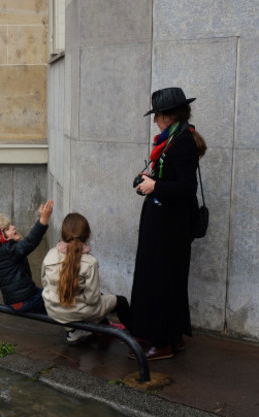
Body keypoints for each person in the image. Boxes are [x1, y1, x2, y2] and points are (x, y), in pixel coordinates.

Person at [130, 87, 207, 360]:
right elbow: (169, 178)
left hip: (171, 229)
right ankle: (171, 335)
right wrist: (147, 181)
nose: (155, 120)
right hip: (161, 224)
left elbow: (187, 189)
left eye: (158, 115)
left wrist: (156, 187)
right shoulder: (170, 139)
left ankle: (161, 342)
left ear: (170, 115)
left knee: (162, 281)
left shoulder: (182, 141)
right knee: (160, 279)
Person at [41, 213, 133, 344]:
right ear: (87, 235)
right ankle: (137, 338)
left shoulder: (50, 255)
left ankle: (75, 330)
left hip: (53, 309)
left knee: (96, 295)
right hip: (75, 312)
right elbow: (92, 299)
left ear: (63, 234)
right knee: (120, 301)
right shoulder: (90, 262)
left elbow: (45, 282)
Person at [0, 200, 54, 314]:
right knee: (59, 299)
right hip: (25, 300)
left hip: (17, 302)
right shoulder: (9, 250)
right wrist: (43, 220)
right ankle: (74, 329)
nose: (13, 227)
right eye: (7, 229)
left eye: (10, 225)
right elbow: (30, 242)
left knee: (51, 296)